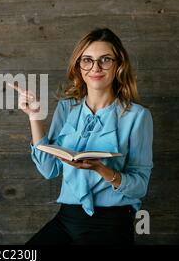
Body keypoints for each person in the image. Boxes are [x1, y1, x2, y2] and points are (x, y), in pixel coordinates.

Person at [17, 27, 153, 245]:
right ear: (79, 66)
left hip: (111, 222)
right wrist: (34, 116)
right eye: (87, 60)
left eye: (105, 60)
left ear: (118, 65)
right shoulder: (66, 108)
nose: (95, 68)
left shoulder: (137, 116)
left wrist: (101, 169)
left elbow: (140, 186)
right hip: (67, 218)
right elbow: (48, 169)